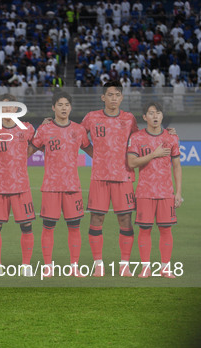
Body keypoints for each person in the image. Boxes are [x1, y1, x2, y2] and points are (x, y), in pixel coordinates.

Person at [29, 91, 93, 277]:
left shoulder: (79, 130)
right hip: (51, 186)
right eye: (60, 105)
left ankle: (74, 266)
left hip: (72, 186)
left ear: (70, 107)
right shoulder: (44, 130)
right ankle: (48, 266)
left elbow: (92, 152)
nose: (64, 108)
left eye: (66, 105)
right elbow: (28, 150)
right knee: (48, 226)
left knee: (74, 226)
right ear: (53, 107)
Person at [80, 81, 139, 276]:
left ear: (121, 98)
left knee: (125, 220)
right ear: (103, 97)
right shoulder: (91, 117)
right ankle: (98, 265)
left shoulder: (129, 119)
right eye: (110, 95)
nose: (114, 98)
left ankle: (124, 265)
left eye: (117, 95)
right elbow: (78, 136)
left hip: (124, 177)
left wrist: (167, 133)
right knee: (97, 218)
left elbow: (141, 141)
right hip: (99, 178)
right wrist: (93, 154)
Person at [0, 94, 36, 277]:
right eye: (3, 107)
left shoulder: (27, 129)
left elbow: (38, 144)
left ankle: (26, 266)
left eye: (10, 107)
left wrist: (23, 155)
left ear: (17, 109)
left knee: (26, 226)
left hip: (22, 187)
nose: (7, 110)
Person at [127, 102, 182, 278]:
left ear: (162, 116)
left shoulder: (172, 138)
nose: (155, 116)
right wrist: (153, 154)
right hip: (144, 192)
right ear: (144, 117)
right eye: (151, 113)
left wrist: (178, 192)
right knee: (145, 230)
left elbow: (177, 166)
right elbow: (132, 163)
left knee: (166, 230)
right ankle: (145, 267)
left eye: (158, 113)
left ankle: (165, 268)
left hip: (166, 192)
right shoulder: (136, 138)